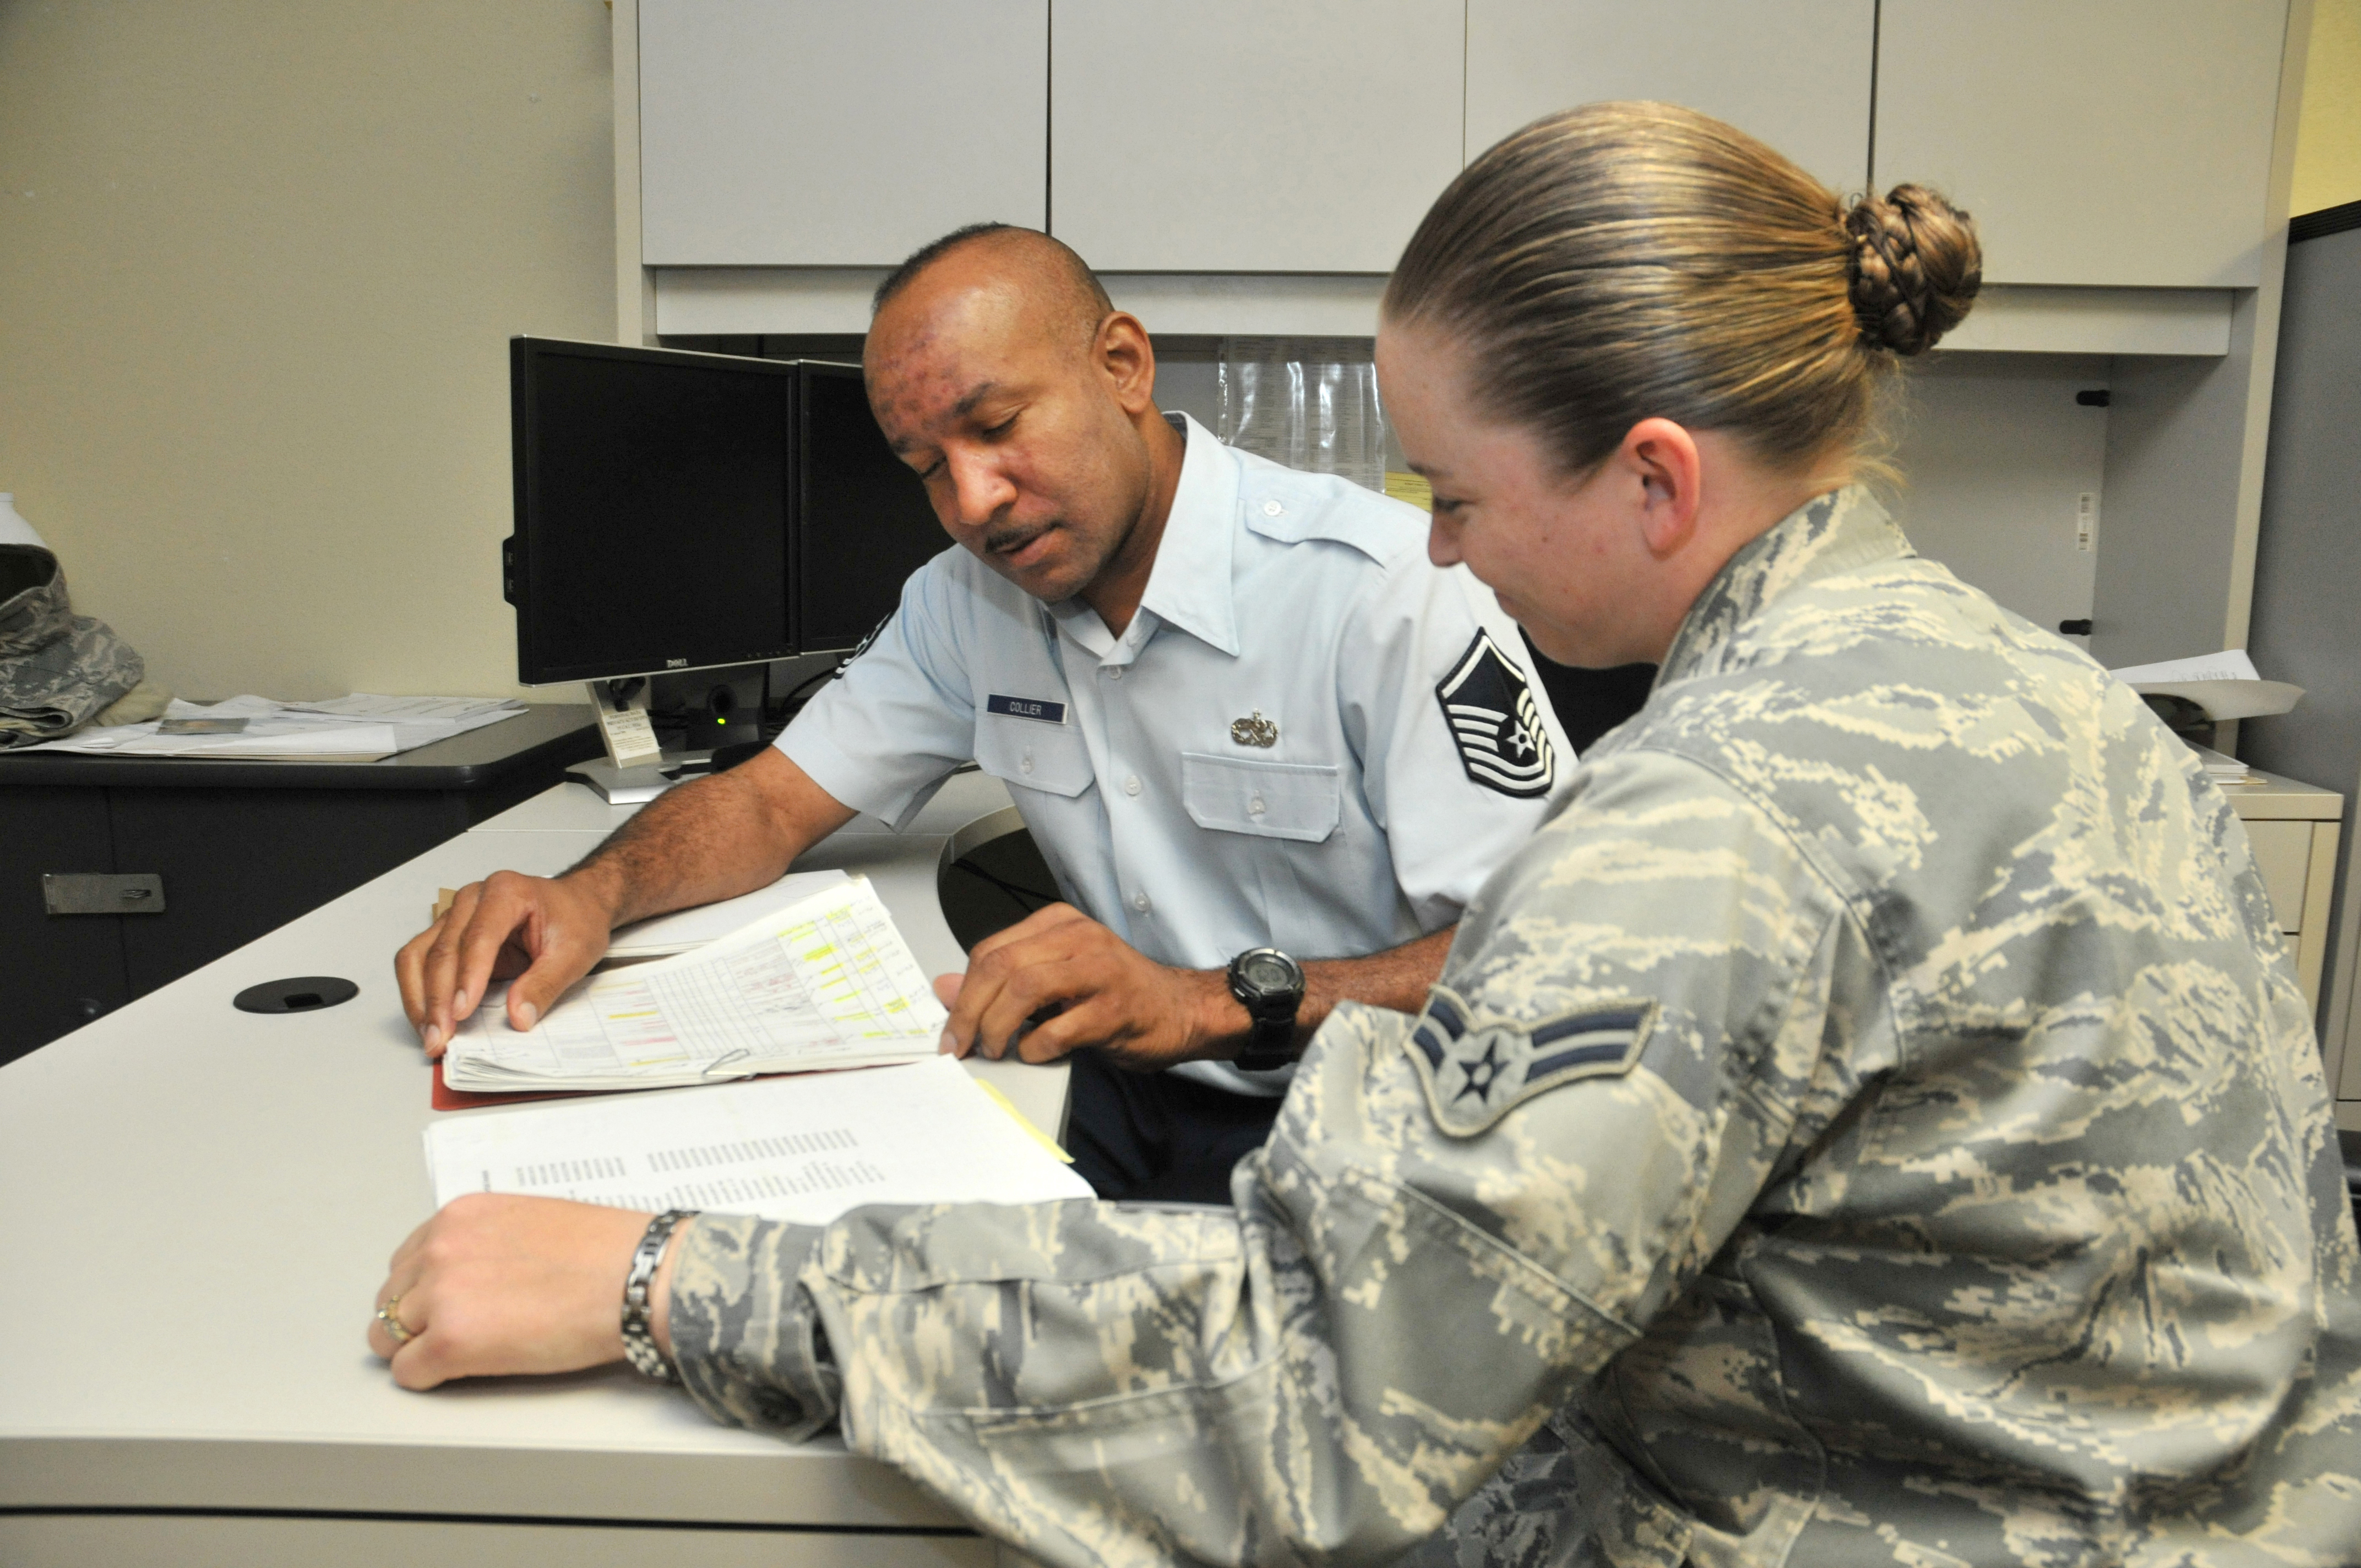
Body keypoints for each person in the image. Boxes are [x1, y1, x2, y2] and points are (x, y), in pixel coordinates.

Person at [372, 103, 2361, 1567]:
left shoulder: (1708, 812)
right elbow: (784, 788)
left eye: (1463, 491)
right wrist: (591, 879)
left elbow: (1324, 1390)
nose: (1438, 541)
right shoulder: (2020, 687)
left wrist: (663, 1280)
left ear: (1652, 480)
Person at [395, 223, 1575, 1202]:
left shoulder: (1381, 590)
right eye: (923, 464)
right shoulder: (967, 604)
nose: (971, 502)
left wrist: (1199, 1000)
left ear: (1122, 365)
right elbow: (765, 801)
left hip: (1376, 1131)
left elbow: (1544, 961)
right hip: (1121, 1099)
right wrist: (586, 894)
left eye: (997, 425)